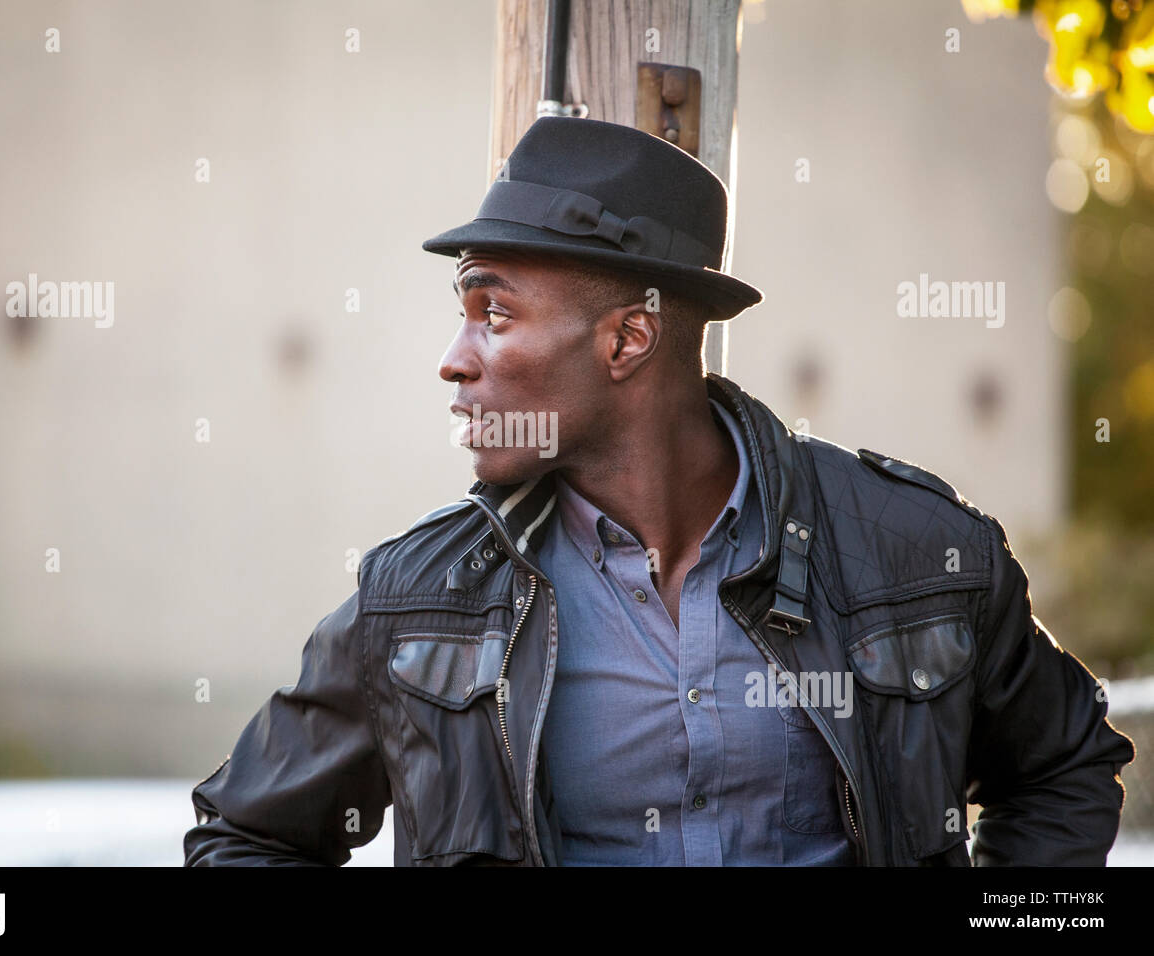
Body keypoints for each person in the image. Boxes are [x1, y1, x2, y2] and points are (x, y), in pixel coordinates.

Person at [183, 116, 1135, 866]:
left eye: (493, 312)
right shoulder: (422, 598)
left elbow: (1062, 767)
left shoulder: (913, 552)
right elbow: (247, 836)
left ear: (628, 341)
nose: (452, 361)